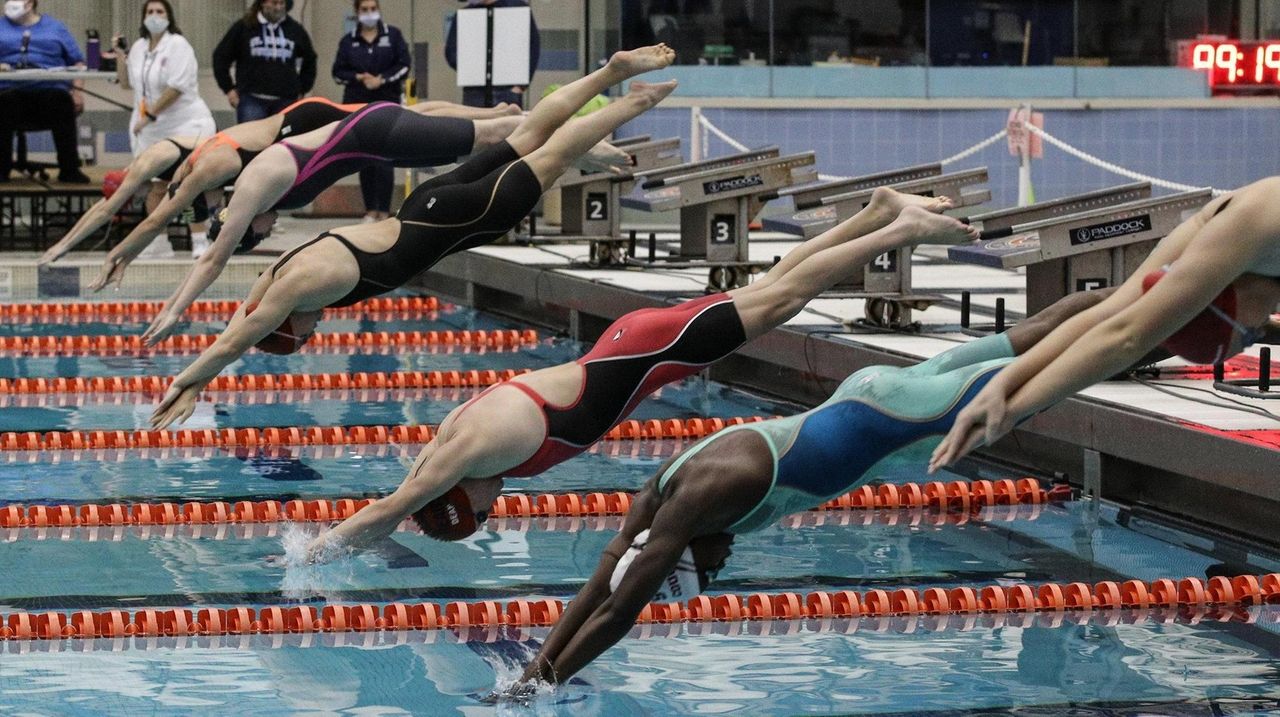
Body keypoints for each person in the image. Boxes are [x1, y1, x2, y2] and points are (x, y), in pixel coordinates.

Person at [283, 183, 977, 562]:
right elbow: (400, 498)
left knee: (783, 298)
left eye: (486, 511)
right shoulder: (453, 450)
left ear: (463, 499)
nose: (499, 507)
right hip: (637, 347)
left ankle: (899, 230)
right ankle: (880, 212)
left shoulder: (467, 453)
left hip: (647, 350)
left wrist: (312, 557)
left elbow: (389, 509)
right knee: (772, 290)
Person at [501, 288, 1109, 695]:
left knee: (1078, 358)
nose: (723, 568)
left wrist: (546, 685)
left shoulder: (699, 503)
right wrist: (533, 673)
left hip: (908, 419)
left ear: (683, 552)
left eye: (706, 574)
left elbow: (617, 611)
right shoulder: (656, 497)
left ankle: (1177, 304)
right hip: (872, 391)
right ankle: (1151, 284)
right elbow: (604, 582)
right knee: (1035, 334)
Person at [147, 46, 686, 434]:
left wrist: (187, 383)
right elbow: (246, 316)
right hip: (424, 204)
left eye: (302, 336)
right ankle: (609, 72)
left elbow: (233, 342)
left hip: (459, 219)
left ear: (292, 321)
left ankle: (634, 100)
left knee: (552, 154)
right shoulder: (282, 271)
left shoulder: (303, 291)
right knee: (525, 134)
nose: (313, 333)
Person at [928, 178, 1280, 474]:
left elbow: (1124, 333)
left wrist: (1012, 401)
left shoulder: (1248, 225)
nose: (1261, 329)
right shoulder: (1245, 227)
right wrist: (1006, 390)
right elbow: (1117, 323)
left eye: (1251, 334)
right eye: (1253, 335)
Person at [136, 100, 525, 344]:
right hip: (375, 143)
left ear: (243, 223)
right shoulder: (274, 199)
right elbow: (265, 288)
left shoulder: (252, 188)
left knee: (493, 137)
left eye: (255, 236)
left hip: (374, 133)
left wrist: (173, 309)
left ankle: (556, 122)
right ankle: (516, 119)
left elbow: (212, 260)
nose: (267, 233)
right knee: (470, 144)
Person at [105, 0, 215, 258]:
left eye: (160, 12)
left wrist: (150, 115)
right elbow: (126, 84)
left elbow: (176, 88)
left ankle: (199, 237)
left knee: (185, 185)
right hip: (153, 131)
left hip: (186, 126)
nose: (154, 16)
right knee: (155, 188)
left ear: (169, 16)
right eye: (150, 12)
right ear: (143, 18)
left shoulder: (178, 45)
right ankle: (158, 241)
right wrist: (121, 55)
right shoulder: (140, 48)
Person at [36, 135, 206, 265]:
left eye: (132, 199)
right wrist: (63, 244)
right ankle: (172, 243)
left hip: (212, 150)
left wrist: (65, 246)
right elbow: (103, 206)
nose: (136, 202)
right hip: (189, 156)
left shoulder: (144, 168)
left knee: (190, 199)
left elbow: (107, 211)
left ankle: (201, 241)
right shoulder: (133, 173)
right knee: (166, 195)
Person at [332, 0, 410, 222]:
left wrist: (381, 80)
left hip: (386, 102)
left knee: (385, 157)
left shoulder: (393, 35)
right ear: (357, 13)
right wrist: (358, 77)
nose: (369, 13)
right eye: (364, 10)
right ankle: (370, 210)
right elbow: (337, 72)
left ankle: (384, 211)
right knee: (364, 157)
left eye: (372, 9)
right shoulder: (348, 41)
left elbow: (404, 65)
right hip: (357, 104)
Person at [0, 0, 89, 183]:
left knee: (61, 100)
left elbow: (78, 63)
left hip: (49, 92)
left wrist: (77, 91)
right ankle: (2, 170)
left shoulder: (56, 28)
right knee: (3, 102)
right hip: (10, 92)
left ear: (30, 3)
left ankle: (69, 169)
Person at [212, 0, 317, 124]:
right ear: (263, 3)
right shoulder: (244, 27)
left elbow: (310, 59)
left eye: (281, 4)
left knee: (284, 141)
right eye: (274, 3)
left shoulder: (294, 29)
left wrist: (302, 89)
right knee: (251, 141)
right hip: (251, 100)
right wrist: (228, 89)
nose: (278, 8)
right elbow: (220, 57)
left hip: (286, 100)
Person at [445, 0, 540, 108]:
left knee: (509, 122)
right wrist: (469, 69)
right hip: (474, 90)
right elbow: (451, 51)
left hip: (508, 89)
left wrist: (522, 84)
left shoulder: (517, 8)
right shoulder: (466, 13)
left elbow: (533, 47)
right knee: (475, 122)